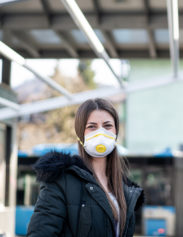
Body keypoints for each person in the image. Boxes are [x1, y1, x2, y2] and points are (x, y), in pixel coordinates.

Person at [27, 98, 144, 237]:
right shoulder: (61, 182)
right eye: (92, 127)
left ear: (116, 133)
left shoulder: (124, 189)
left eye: (107, 126)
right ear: (80, 134)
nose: (101, 133)